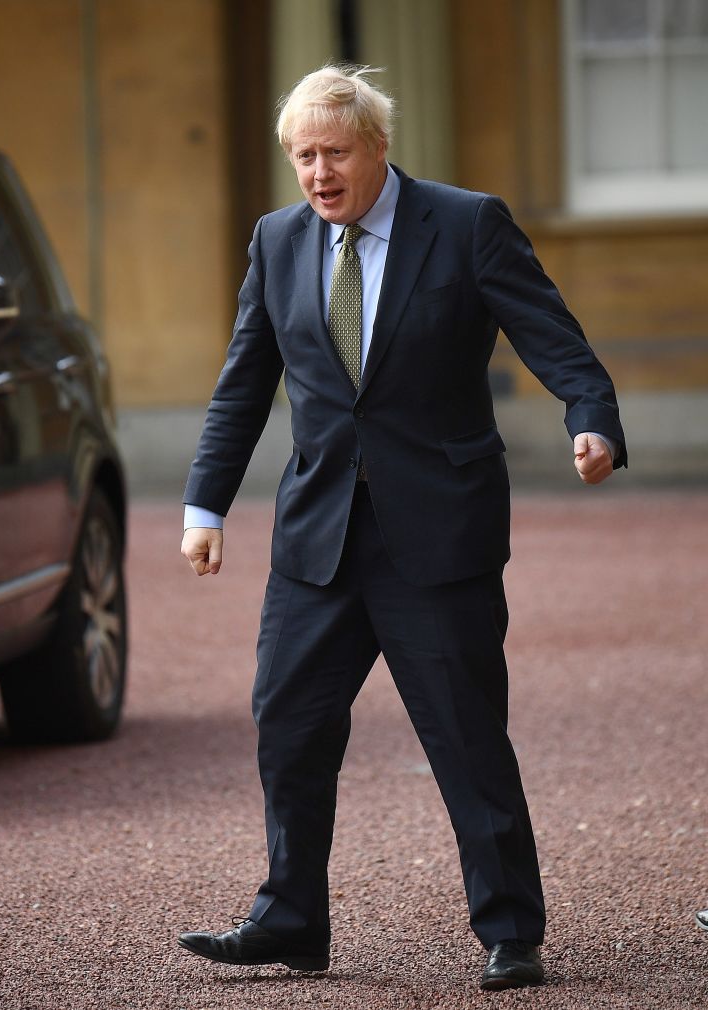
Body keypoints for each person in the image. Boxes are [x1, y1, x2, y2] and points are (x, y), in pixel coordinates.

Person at [175, 65, 625, 992]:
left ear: (379, 148)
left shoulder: (465, 224)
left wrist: (591, 415)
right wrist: (204, 505)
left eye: (335, 151)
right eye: (303, 155)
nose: (318, 172)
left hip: (438, 534)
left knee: (465, 733)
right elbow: (242, 386)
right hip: (319, 539)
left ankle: (510, 930)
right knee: (287, 723)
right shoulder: (277, 242)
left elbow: (552, 332)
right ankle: (290, 918)